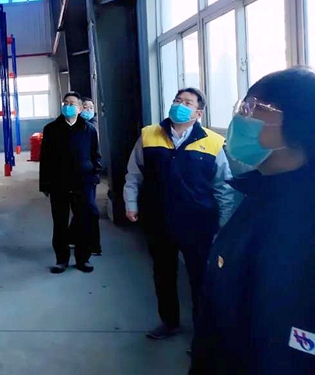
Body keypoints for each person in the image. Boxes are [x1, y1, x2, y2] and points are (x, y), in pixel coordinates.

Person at [190, 67, 315, 374]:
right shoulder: (262, 192)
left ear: (296, 123)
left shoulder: (302, 218)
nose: (239, 118)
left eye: (251, 108)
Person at [124, 88, 235, 340]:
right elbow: (134, 173)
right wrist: (131, 203)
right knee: (163, 274)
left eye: (187, 102)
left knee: (200, 278)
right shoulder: (149, 135)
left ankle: (202, 332)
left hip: (198, 224)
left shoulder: (212, 141)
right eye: (177, 100)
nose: (180, 105)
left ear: (199, 113)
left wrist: (224, 223)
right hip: (159, 220)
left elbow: (223, 186)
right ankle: (169, 322)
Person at [40, 92, 102, 274]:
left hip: (83, 183)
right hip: (58, 184)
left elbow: (95, 155)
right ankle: (61, 260)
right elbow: (46, 159)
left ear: (80, 108)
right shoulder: (51, 129)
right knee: (59, 223)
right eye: (65, 103)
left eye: (72, 103)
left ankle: (83, 259)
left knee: (83, 222)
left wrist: (94, 175)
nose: (68, 106)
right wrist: (45, 184)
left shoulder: (89, 130)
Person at [80, 97, 102, 255]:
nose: (88, 110)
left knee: (89, 208)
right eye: (85, 107)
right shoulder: (73, 129)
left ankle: (93, 245)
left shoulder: (93, 127)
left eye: (91, 107)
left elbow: (96, 153)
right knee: (85, 209)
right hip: (75, 176)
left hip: (89, 175)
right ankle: (84, 242)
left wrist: (96, 170)